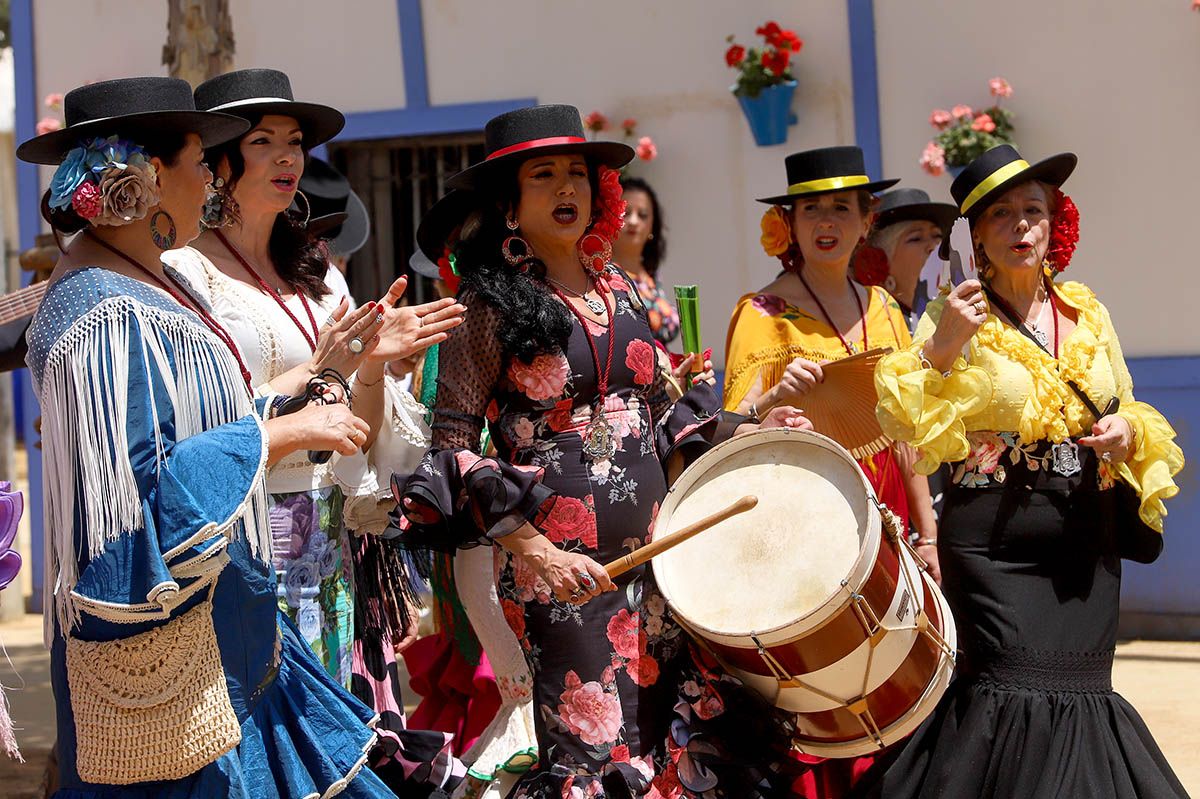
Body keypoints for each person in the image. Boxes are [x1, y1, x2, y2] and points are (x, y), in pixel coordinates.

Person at [396, 104, 808, 798]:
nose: (565, 189)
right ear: (509, 203)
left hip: (660, 561)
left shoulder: (619, 288)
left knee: (676, 740)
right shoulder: (486, 307)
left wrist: (755, 423)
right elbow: (453, 453)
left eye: (576, 175)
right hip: (564, 579)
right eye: (544, 176)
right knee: (593, 753)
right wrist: (540, 553)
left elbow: (662, 412)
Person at [22, 75, 394, 798]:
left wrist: (310, 380)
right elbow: (147, 494)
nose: (211, 182)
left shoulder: (140, 284)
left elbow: (195, 418)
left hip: (221, 632)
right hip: (174, 658)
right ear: (147, 179)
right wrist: (284, 435)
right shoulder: (106, 313)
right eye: (200, 160)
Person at [162, 67, 466, 795]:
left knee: (330, 735)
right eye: (261, 141)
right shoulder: (183, 274)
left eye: (294, 141)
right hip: (243, 535)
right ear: (217, 160)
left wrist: (373, 366)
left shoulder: (318, 275)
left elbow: (355, 424)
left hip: (327, 534)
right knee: (251, 738)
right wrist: (316, 373)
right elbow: (196, 421)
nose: (285, 156)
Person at [866, 145, 1187, 798]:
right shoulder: (954, 314)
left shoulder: (1086, 313)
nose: (1021, 226)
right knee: (1007, 690)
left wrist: (1127, 431)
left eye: (1033, 211)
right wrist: (940, 347)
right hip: (993, 544)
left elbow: (1126, 403)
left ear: (1054, 225)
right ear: (978, 232)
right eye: (1003, 213)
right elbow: (899, 415)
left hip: (1083, 536)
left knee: (1079, 693)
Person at [854, 188, 956, 327]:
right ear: (880, 260)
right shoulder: (869, 326)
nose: (933, 246)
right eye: (916, 238)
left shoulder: (956, 316)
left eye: (937, 236)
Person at [612, 176, 678, 345]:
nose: (633, 221)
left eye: (642, 215)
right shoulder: (602, 275)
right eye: (625, 213)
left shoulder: (652, 274)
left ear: (652, 226)